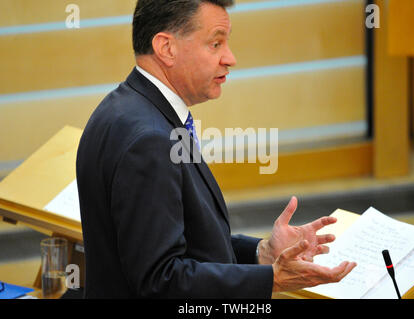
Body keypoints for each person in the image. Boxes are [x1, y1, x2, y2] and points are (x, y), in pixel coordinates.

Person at [76, 0, 356, 298]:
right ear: (166, 48)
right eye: (215, 43)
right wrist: (271, 280)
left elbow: (189, 245)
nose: (230, 58)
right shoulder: (150, 139)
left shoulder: (124, 108)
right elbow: (161, 280)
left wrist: (263, 252)